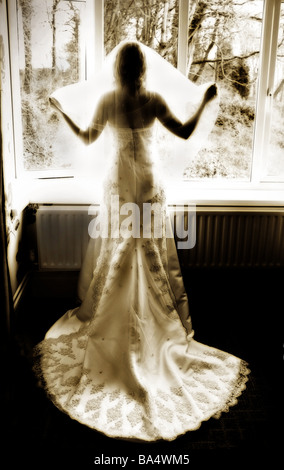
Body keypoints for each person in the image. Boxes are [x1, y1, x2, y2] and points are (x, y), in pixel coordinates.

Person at [35, 42, 249, 442]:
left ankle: (110, 322)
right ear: (142, 68)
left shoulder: (107, 100)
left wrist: (63, 112)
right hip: (147, 186)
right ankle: (154, 327)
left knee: (118, 253)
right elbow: (185, 132)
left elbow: (85, 138)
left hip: (119, 186)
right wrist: (203, 103)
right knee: (149, 255)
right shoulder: (152, 99)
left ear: (117, 68)